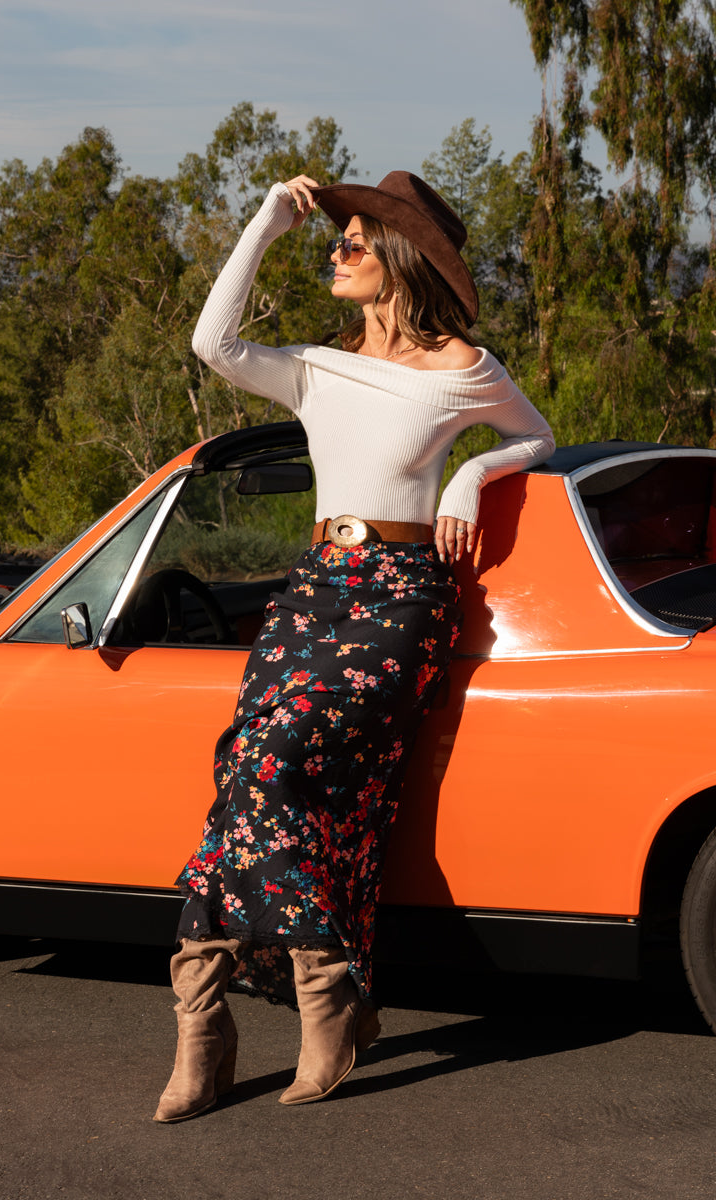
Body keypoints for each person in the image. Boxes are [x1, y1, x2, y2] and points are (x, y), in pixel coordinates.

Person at [153, 171, 555, 1122]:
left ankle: (323, 993)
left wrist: (472, 475)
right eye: (335, 240)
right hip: (313, 591)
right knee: (243, 775)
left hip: (401, 596)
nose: (334, 253)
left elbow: (534, 437)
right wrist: (265, 221)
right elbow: (212, 343)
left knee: (271, 763)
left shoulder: (463, 367)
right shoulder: (318, 367)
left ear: (400, 260)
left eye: (353, 243)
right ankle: (207, 1026)